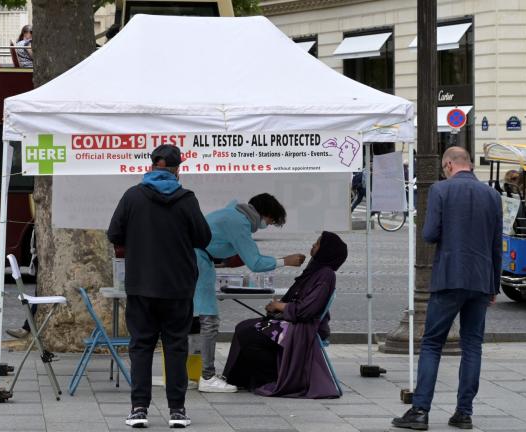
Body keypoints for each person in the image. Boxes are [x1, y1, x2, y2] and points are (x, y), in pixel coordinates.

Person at [392, 147, 502, 431]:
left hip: (449, 279)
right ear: (469, 165)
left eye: (444, 168)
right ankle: (464, 413)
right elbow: (495, 244)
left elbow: (429, 234)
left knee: (431, 343)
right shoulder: (492, 195)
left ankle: (420, 411)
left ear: (449, 165)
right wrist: (494, 284)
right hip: (481, 280)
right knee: (472, 346)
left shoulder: (441, 190)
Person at [108, 144, 211, 429]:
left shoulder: (133, 196)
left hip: (141, 285)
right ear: (178, 169)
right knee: (176, 347)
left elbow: (113, 233)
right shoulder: (187, 199)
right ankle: (177, 411)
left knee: (141, 347)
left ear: (152, 165)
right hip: (178, 287)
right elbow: (203, 238)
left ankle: (139, 409)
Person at [192, 194, 305, 393]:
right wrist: (285, 261)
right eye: (270, 221)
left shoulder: (231, 212)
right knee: (208, 320)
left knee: (190, 319)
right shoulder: (240, 223)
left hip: (196, 260)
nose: (267, 225)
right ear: (266, 214)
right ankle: (207, 376)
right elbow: (255, 262)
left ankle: (187, 374)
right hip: (197, 262)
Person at [222, 232, 347, 398]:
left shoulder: (325, 274)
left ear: (326, 250)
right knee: (243, 327)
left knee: (249, 334)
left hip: (303, 327)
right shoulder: (315, 270)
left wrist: (280, 306)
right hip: (293, 322)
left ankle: (272, 376)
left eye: (316, 244)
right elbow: (297, 298)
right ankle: (241, 379)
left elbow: (307, 310)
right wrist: (277, 307)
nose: (312, 246)